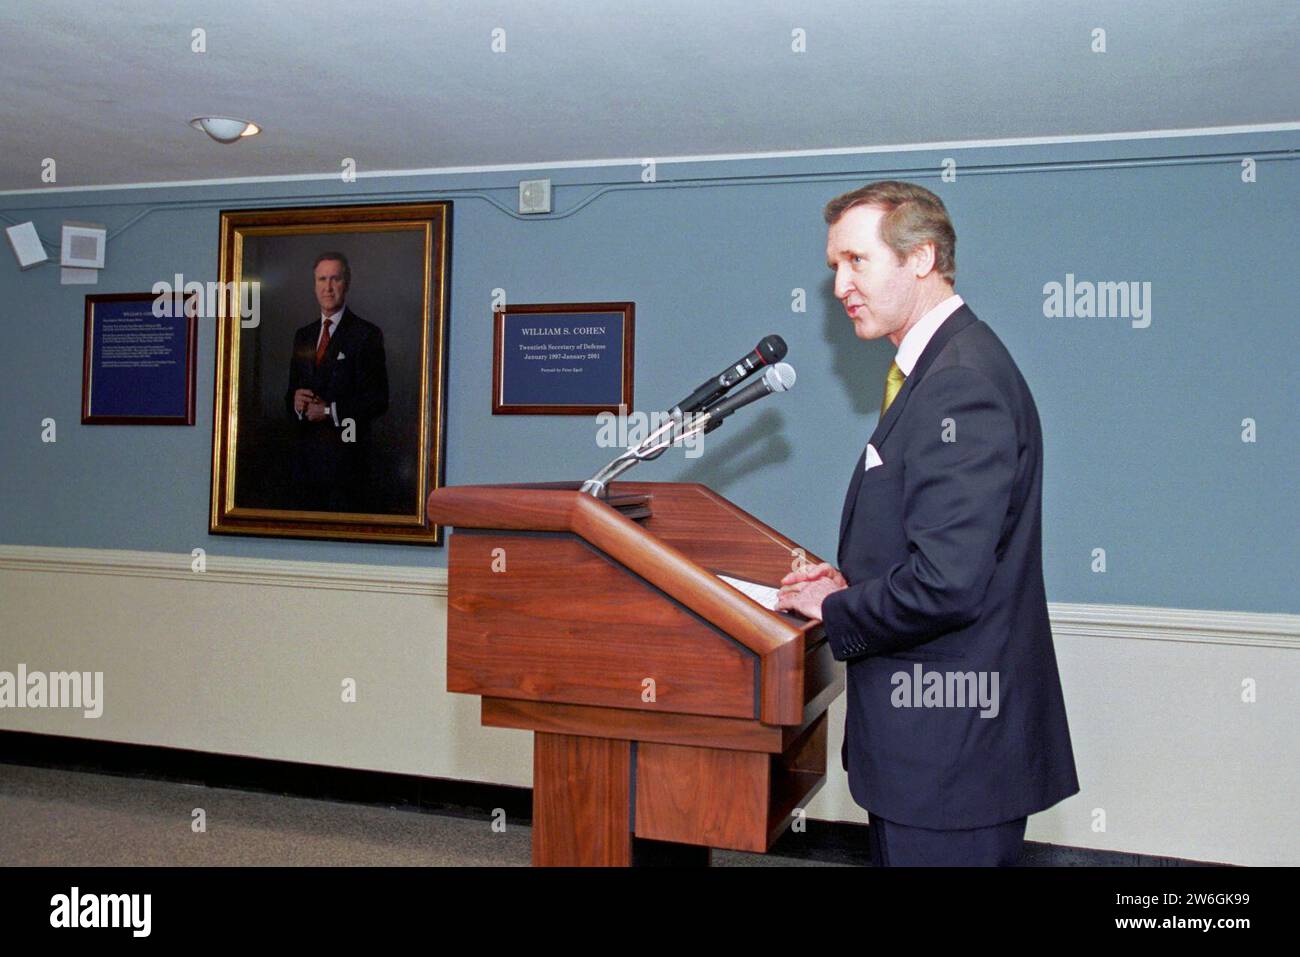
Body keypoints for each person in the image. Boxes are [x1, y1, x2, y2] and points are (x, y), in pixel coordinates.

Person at [776, 181, 1078, 866]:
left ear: (921, 257)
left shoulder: (959, 381)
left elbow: (948, 582)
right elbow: (939, 548)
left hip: (950, 755)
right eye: (834, 267)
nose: (840, 285)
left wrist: (838, 604)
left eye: (856, 261)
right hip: (940, 753)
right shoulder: (938, 369)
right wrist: (850, 579)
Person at [285, 252, 389, 512]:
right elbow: (289, 396)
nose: (328, 287)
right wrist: (296, 404)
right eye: (322, 279)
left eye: (335, 279)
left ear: (347, 283)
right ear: (314, 285)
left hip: (348, 466)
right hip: (304, 468)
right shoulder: (304, 335)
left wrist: (330, 411)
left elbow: (378, 399)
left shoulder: (366, 334)